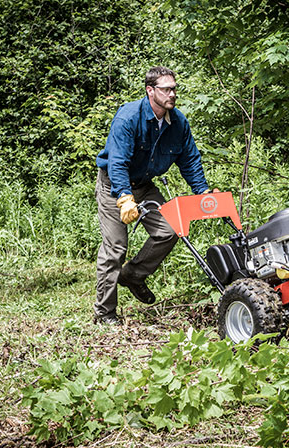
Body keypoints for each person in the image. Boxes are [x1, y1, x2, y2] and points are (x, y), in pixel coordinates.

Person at [93, 66, 214, 325]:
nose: (172, 94)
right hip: (115, 184)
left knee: (170, 230)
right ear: (150, 91)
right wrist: (124, 197)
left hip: (145, 185)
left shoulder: (178, 122)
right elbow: (117, 163)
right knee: (115, 248)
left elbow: (189, 160)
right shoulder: (128, 118)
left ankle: (133, 276)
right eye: (166, 89)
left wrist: (202, 191)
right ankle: (105, 314)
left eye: (174, 89)